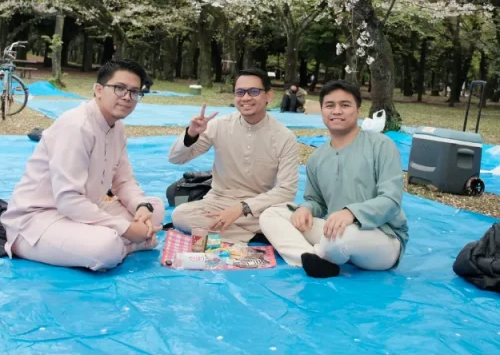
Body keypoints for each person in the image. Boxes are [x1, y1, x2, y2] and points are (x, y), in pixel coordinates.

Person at [1, 59, 164, 271]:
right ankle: (126, 246)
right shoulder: (76, 126)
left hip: (88, 208)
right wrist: (126, 229)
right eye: (119, 88)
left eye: (134, 92)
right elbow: (68, 200)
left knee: (155, 208)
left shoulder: (117, 127)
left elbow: (123, 181)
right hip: (40, 218)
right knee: (106, 247)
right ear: (98, 90)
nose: (127, 97)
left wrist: (142, 207)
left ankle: (124, 241)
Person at [259, 80, 408, 278]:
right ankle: (309, 257)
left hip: (381, 238)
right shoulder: (317, 158)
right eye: (330, 105)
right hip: (335, 230)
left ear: (358, 110)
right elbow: (317, 202)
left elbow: (391, 200)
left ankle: (321, 254)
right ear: (322, 110)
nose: (336, 111)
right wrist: (305, 209)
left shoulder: (381, 146)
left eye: (345, 105)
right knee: (271, 215)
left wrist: (351, 213)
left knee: (339, 239)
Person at [167, 68, 298, 243]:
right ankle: (257, 237)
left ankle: (239, 232)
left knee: (292, 216)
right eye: (240, 92)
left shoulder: (285, 137)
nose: (245, 98)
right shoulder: (219, 126)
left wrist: (243, 207)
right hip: (219, 202)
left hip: (259, 207)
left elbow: (286, 190)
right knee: (181, 215)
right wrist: (191, 133)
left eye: (253, 92)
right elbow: (176, 158)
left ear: (268, 95)